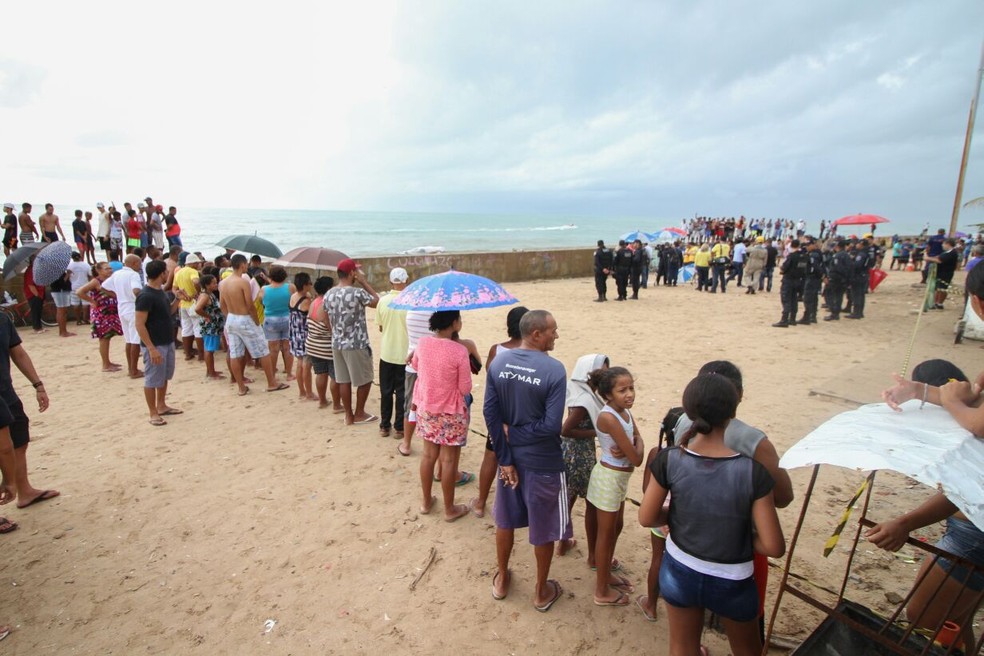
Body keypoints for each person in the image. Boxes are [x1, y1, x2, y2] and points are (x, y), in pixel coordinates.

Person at [639, 373, 785, 656]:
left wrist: (679, 518)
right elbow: (773, 546)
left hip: (680, 568)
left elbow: (647, 518)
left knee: (682, 646)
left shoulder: (670, 459)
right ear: (733, 412)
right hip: (732, 577)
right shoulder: (751, 472)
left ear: (689, 411)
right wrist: (734, 534)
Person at [872, 359, 983, 650]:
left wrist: (906, 523)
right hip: (970, 527)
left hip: (974, 533)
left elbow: (967, 486)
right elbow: (972, 397)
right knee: (957, 618)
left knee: (922, 617)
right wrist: (919, 391)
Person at [484, 310, 570, 611]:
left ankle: (503, 577)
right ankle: (540, 590)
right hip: (543, 461)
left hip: (510, 461)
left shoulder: (498, 361)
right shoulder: (555, 370)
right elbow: (551, 427)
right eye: (552, 330)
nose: (556, 335)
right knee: (544, 526)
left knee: (505, 519)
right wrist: (517, 436)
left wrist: (505, 457)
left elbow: (490, 415)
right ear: (536, 334)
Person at [587, 366, 644, 606]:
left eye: (631, 388)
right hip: (609, 479)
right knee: (606, 533)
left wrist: (634, 443)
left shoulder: (625, 412)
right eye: (623, 390)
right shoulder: (608, 416)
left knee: (616, 527)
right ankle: (601, 591)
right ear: (609, 395)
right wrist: (634, 445)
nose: (629, 394)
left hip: (619, 479)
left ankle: (605, 572)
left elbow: (638, 440)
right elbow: (638, 458)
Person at [467, 306, 529, 514]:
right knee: (524, 459)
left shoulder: (497, 350)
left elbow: (490, 376)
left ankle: (481, 502)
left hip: (500, 414)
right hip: (525, 416)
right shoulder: (535, 353)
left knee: (491, 456)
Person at [412, 311, 472, 522]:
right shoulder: (460, 351)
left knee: (428, 456)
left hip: (427, 407)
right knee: (447, 460)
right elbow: (465, 387)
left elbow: (416, 366)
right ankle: (449, 509)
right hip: (450, 411)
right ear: (454, 323)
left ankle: (426, 502)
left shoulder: (423, 343)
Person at [0, 305, 59, 510]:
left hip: (6, 392)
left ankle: (23, 490)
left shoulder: (3, 319)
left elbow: (18, 353)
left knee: (19, 439)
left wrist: (38, 385)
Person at [557, 353, 608, 562]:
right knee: (590, 503)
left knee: (568, 498)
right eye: (601, 372)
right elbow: (566, 429)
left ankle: (562, 541)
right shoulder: (584, 400)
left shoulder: (579, 390)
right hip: (580, 456)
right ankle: (593, 555)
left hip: (571, 453)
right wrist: (595, 433)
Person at [219, 254, 288, 395]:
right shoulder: (242, 282)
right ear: (243, 265)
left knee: (235, 353)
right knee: (263, 350)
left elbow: (222, 305)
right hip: (244, 317)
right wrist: (256, 321)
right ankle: (271, 383)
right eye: (246, 264)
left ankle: (241, 387)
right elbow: (250, 305)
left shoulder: (224, 283)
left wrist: (229, 317)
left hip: (231, 318)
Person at [324, 259, 379, 425]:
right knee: (366, 378)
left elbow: (324, 314)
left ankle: (348, 415)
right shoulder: (356, 293)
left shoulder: (329, 293)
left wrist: (332, 331)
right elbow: (377, 301)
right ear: (351, 274)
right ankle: (359, 412)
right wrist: (364, 282)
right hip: (356, 342)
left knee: (343, 380)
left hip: (337, 343)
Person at [134, 260, 182, 426]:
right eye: (166, 272)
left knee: (164, 376)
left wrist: (177, 300)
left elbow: (168, 312)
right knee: (152, 378)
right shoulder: (145, 295)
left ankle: (161, 405)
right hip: (155, 343)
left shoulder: (159, 292)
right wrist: (151, 348)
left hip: (166, 341)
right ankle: (153, 412)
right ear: (161, 273)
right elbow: (139, 323)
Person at [376, 268, 409, 437]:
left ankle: (384, 426)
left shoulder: (383, 301)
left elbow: (381, 327)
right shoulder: (411, 302)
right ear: (406, 281)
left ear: (391, 282)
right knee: (403, 393)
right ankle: (399, 428)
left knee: (386, 391)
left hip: (387, 353)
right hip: (405, 355)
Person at [102, 255, 145, 378]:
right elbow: (136, 290)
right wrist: (144, 300)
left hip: (122, 307)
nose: (140, 266)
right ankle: (134, 370)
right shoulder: (133, 275)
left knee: (129, 340)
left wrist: (117, 295)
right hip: (133, 307)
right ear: (134, 263)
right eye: (139, 263)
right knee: (135, 340)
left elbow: (103, 287)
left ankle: (131, 369)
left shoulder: (117, 274)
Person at [77, 262, 123, 372]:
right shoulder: (96, 281)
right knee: (104, 338)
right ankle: (105, 364)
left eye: (110, 268)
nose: (110, 270)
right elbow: (80, 292)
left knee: (108, 337)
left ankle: (107, 362)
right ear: (99, 270)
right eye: (106, 269)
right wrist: (92, 301)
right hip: (101, 313)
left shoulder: (110, 279)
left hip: (110, 313)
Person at [305, 276, 339, 410]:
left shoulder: (313, 302)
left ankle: (323, 401)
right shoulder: (326, 303)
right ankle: (337, 405)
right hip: (326, 346)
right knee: (335, 375)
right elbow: (329, 326)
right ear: (328, 289)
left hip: (313, 344)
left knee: (320, 373)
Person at [259, 265, 295, 380]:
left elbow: (260, 301)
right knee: (287, 347)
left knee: (273, 349)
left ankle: (273, 374)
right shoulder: (290, 287)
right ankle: (289, 374)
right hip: (287, 317)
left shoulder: (264, 289)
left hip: (270, 319)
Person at [288, 273, 315, 400]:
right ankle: (309, 393)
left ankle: (302, 391)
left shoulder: (294, 296)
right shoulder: (306, 301)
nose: (311, 285)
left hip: (294, 333)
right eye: (310, 283)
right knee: (306, 365)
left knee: (299, 362)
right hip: (304, 334)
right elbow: (313, 314)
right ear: (305, 285)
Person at [173, 253, 204, 361]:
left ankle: (188, 353)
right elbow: (196, 281)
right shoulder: (193, 271)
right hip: (193, 302)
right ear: (193, 263)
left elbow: (174, 288)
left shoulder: (179, 272)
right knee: (198, 328)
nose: (199, 265)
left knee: (186, 329)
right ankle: (201, 355)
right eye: (197, 263)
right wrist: (198, 292)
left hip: (183, 304)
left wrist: (181, 296)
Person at [194, 274, 225, 380]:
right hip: (210, 326)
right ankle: (211, 372)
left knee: (210, 348)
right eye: (213, 283)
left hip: (213, 326)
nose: (216, 284)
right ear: (207, 285)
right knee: (209, 349)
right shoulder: (205, 296)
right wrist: (208, 316)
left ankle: (211, 370)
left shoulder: (209, 294)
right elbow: (198, 309)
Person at [773, 239, 807, 328]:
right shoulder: (804, 256)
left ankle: (784, 319)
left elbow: (785, 267)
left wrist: (782, 269)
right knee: (794, 299)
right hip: (798, 280)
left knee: (786, 299)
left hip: (789, 279)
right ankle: (792, 318)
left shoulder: (792, 256)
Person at [823, 240, 854, 321]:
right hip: (843, 279)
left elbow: (837, 268)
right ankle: (835, 312)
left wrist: (833, 277)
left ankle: (834, 312)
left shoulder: (838, 256)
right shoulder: (846, 255)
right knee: (838, 296)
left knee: (831, 295)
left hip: (836, 279)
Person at [926, 238, 959, 310]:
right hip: (940, 272)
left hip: (946, 273)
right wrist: (930, 257)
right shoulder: (946, 252)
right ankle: (935, 303)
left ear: (948, 244)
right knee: (938, 288)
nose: (942, 245)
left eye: (943, 244)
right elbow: (938, 257)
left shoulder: (952, 253)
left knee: (942, 288)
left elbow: (939, 260)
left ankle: (939, 303)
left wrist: (927, 258)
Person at [799, 237, 825, 324]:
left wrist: (821, 275)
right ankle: (812, 316)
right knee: (813, 298)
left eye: (808, 245)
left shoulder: (814, 255)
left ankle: (808, 316)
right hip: (815, 278)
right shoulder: (818, 253)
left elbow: (816, 267)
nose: (807, 247)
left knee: (808, 298)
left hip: (812, 278)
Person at [846, 238, 872, 320]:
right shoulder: (868, 253)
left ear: (861, 245)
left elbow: (857, 265)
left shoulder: (861, 254)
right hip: (864, 275)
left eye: (858, 244)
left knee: (856, 294)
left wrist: (851, 262)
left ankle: (856, 312)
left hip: (858, 276)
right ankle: (859, 312)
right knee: (861, 295)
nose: (856, 245)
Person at [48, 265, 77, 338]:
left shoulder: (52, 271)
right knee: (61, 311)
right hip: (60, 291)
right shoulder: (56, 272)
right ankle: (63, 331)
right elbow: (61, 282)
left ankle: (63, 331)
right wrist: (68, 274)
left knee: (62, 311)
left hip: (59, 291)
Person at [23, 261, 45, 334]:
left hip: (39, 293)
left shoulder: (35, 270)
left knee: (38, 311)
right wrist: (37, 295)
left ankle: (39, 327)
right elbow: (30, 285)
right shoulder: (31, 270)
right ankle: (36, 328)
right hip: (34, 294)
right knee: (35, 311)